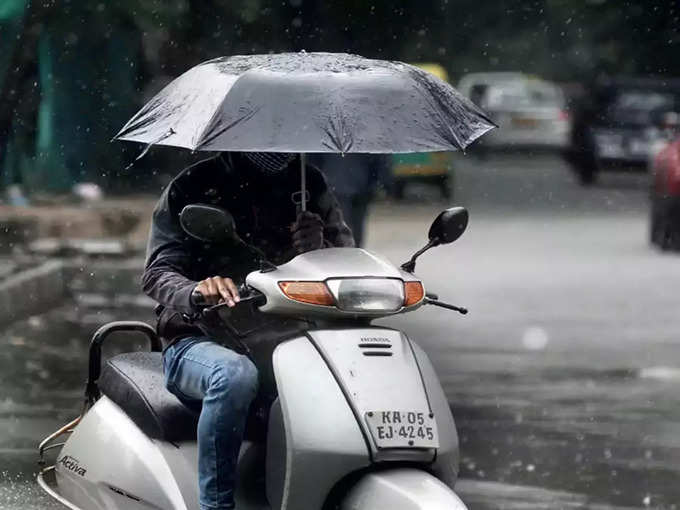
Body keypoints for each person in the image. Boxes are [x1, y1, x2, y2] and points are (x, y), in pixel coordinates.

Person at [142, 151, 353, 510]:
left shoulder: (308, 183)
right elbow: (157, 274)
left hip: (287, 336)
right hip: (200, 337)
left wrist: (320, 248)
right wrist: (196, 290)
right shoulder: (192, 186)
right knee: (234, 376)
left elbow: (347, 262)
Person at [308, 153, 390, 247]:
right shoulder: (362, 141)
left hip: (338, 186)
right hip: (357, 186)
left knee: (342, 227)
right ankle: (353, 252)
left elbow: (314, 162)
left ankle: (347, 252)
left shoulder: (325, 141)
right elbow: (378, 162)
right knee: (353, 227)